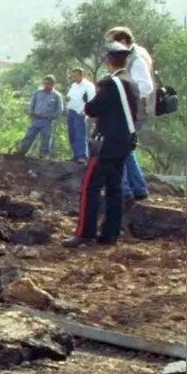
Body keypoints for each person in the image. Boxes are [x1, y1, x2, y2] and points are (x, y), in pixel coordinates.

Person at [64, 43, 140, 248]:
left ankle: (85, 232)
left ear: (108, 60)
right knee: (115, 187)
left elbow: (92, 108)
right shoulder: (132, 83)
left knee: (91, 186)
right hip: (124, 142)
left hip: (106, 143)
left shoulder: (110, 83)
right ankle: (110, 234)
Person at [107, 27, 154, 201]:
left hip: (134, 111)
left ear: (123, 42)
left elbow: (146, 86)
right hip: (131, 111)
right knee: (126, 149)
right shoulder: (132, 56)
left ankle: (126, 189)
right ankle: (137, 188)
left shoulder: (137, 58)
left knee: (122, 147)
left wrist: (124, 94)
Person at [12, 75, 63, 158]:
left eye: (48, 84)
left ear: (53, 84)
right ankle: (21, 151)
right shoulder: (37, 92)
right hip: (36, 118)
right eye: (45, 83)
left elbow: (59, 109)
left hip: (47, 121)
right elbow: (32, 103)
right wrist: (31, 113)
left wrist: (52, 117)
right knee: (29, 135)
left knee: (46, 138)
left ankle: (43, 155)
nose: (46, 85)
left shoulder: (57, 96)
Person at [65, 67, 95, 162]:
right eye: (73, 76)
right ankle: (75, 154)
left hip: (80, 112)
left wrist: (86, 111)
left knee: (80, 134)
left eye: (76, 76)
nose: (74, 78)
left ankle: (82, 156)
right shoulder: (73, 85)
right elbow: (70, 97)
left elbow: (91, 98)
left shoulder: (88, 85)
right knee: (72, 134)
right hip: (71, 111)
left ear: (81, 75)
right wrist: (67, 101)